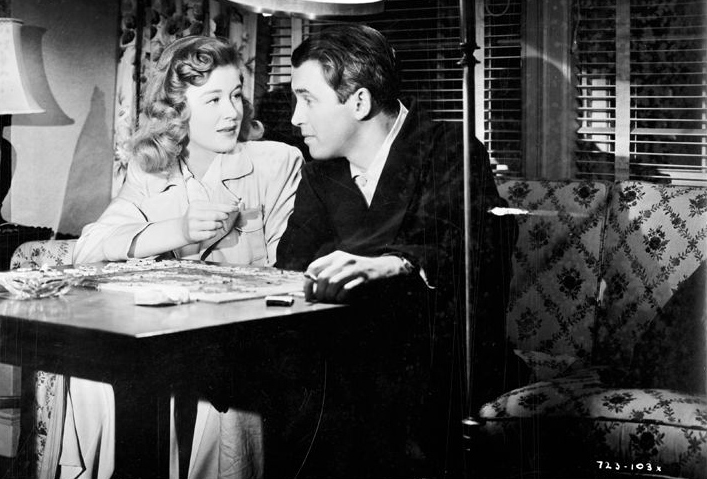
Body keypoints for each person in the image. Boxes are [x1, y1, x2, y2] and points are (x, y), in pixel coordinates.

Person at [270, 24, 518, 479]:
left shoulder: (451, 149)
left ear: (359, 102)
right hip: (348, 362)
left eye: (307, 100)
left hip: (444, 366)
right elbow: (291, 264)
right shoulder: (321, 172)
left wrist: (392, 264)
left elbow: (474, 247)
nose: (295, 119)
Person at [62, 35, 303, 479]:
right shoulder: (151, 170)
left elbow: (288, 273)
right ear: (177, 110)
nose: (231, 112)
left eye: (235, 95)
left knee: (206, 394)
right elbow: (90, 247)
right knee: (94, 376)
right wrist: (178, 230)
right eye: (213, 99)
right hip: (172, 341)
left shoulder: (276, 163)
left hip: (243, 340)